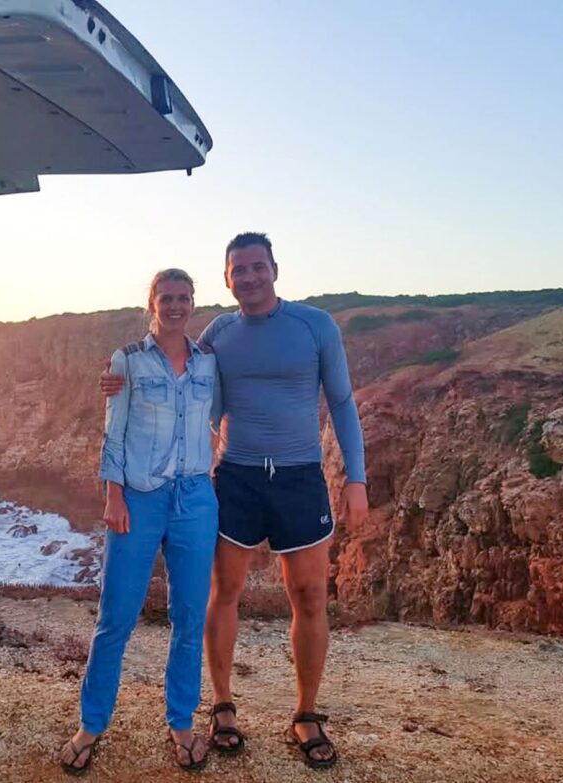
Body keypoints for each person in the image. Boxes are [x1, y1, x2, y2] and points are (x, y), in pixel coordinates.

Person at [101, 233, 368, 770]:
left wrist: (355, 479)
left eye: (256, 267)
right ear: (227, 280)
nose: (249, 277)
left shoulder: (315, 325)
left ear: (274, 269)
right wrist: (121, 384)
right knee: (224, 592)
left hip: (299, 477)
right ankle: (222, 706)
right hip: (236, 477)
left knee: (310, 595)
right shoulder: (219, 333)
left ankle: (307, 713)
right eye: (238, 270)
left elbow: (341, 401)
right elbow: (182, 386)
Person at [61, 268, 220, 776]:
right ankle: (91, 725)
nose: (175, 306)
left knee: (190, 616)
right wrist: (114, 495)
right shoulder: (126, 360)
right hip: (139, 498)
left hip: (196, 498)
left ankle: (182, 722)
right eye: (166, 297)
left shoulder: (208, 362)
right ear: (151, 303)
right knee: (116, 617)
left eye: (183, 297)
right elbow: (114, 432)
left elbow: (222, 416)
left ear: (193, 303)